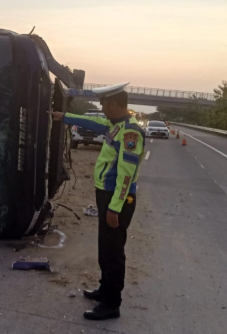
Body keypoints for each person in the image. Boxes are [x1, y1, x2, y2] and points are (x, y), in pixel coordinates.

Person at [49, 85, 145, 320]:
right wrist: (65, 117)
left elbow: (125, 174)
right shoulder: (115, 126)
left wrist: (115, 207)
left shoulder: (130, 133)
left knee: (113, 252)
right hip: (107, 194)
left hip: (118, 198)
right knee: (105, 248)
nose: (102, 109)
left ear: (113, 105)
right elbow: (92, 123)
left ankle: (112, 304)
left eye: (103, 105)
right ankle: (105, 290)